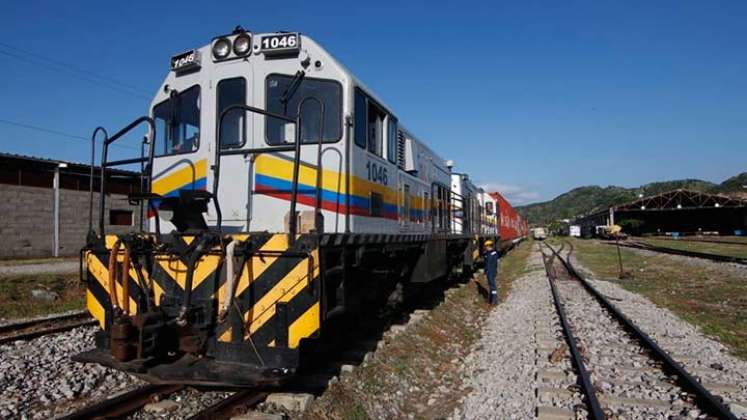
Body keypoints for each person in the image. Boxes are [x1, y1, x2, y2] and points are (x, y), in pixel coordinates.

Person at [483, 240, 499, 305]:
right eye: (486, 247)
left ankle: (494, 300)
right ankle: (491, 298)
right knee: (490, 285)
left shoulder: (493, 254)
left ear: (490, 246)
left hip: (491, 272)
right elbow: (486, 264)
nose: (486, 248)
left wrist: (493, 272)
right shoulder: (488, 253)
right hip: (489, 272)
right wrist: (485, 271)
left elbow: (494, 264)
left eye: (487, 246)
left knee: (492, 285)